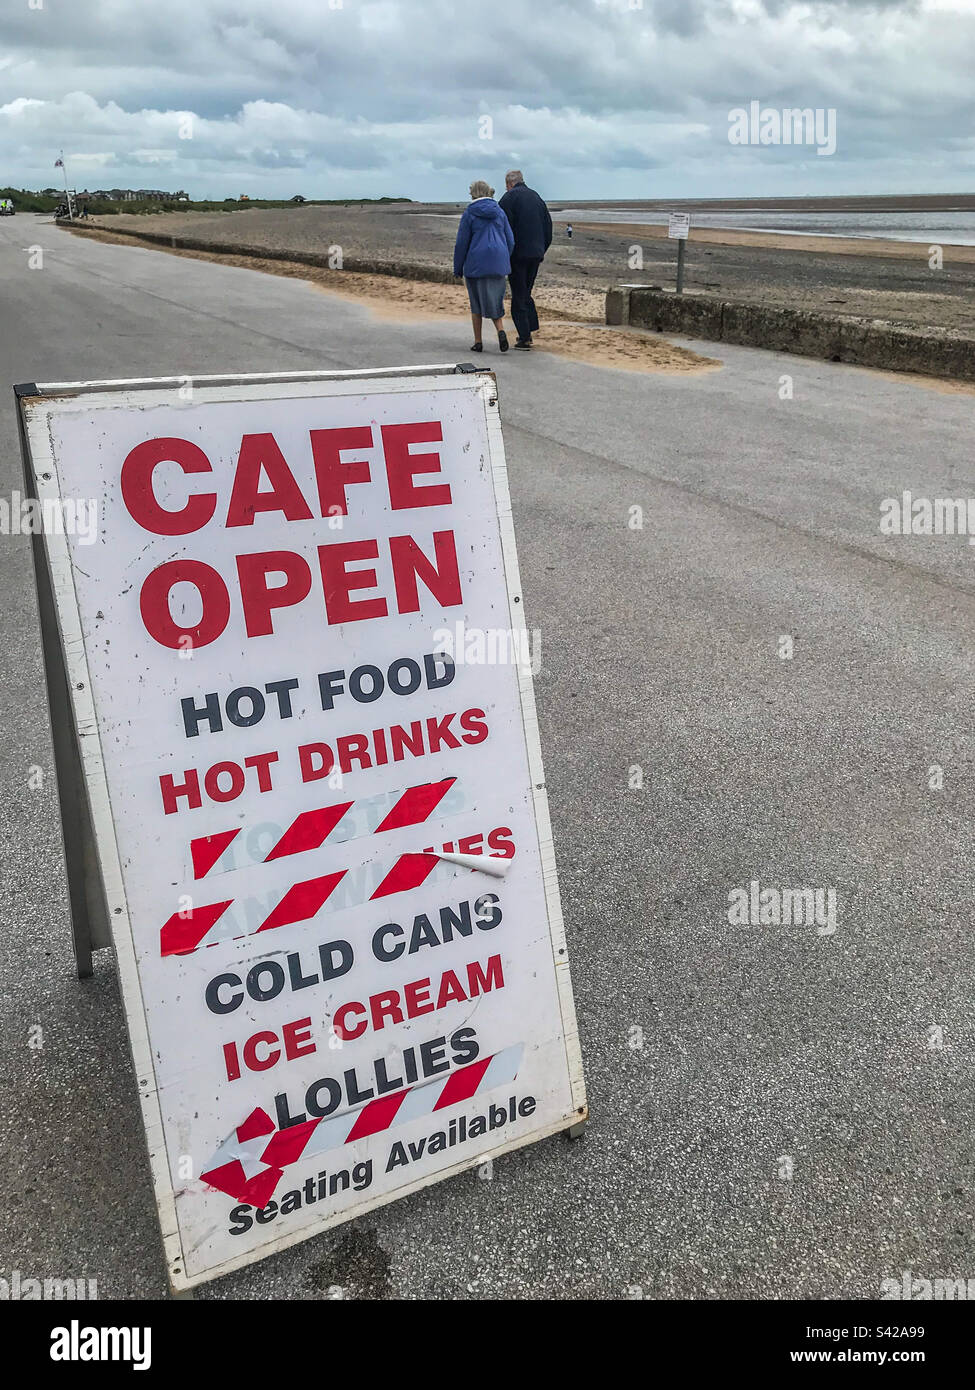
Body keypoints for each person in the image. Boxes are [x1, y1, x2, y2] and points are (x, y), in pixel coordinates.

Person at [452, 180, 513, 353]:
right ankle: (500, 330)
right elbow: (510, 239)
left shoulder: (470, 213)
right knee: (495, 301)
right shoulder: (500, 212)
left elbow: (461, 243)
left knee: (476, 303)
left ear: (473, 193)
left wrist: (458, 268)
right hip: (498, 261)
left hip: (476, 262)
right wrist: (504, 258)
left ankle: (478, 341)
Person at [498, 169, 553, 350]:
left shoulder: (508, 199)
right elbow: (548, 227)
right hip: (536, 253)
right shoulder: (537, 197)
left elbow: (504, 229)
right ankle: (530, 327)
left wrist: (505, 253)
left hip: (518, 254)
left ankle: (525, 336)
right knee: (526, 291)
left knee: (519, 295)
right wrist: (542, 249)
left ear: (509, 184)